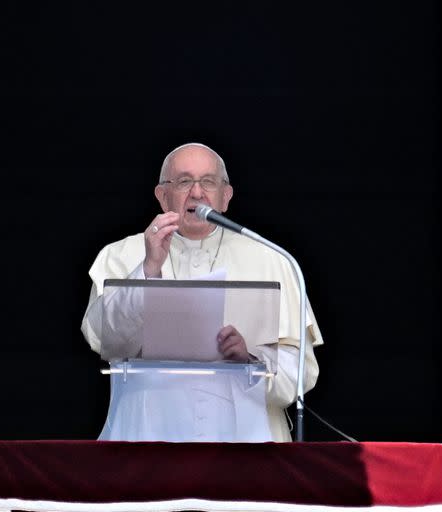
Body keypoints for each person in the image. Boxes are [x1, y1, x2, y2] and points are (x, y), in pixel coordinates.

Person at [81, 142, 322, 442]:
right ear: (162, 195)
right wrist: (148, 269)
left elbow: (301, 373)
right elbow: (102, 338)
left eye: (208, 182)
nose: (197, 193)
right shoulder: (120, 254)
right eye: (183, 181)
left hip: (245, 450)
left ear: (226, 196)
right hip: (146, 443)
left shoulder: (273, 260)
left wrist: (249, 360)